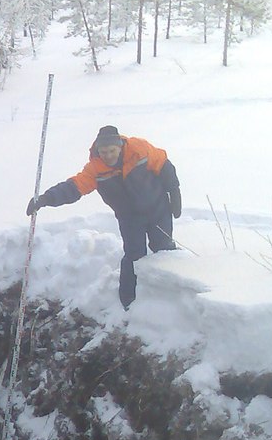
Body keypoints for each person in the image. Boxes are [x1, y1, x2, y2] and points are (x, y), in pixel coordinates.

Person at [26, 125, 181, 309]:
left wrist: (174, 191)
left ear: (120, 147)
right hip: (129, 217)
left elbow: (164, 165)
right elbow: (74, 187)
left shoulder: (139, 149)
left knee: (164, 249)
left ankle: (175, 295)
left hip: (157, 208)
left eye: (112, 151)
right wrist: (45, 199)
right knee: (134, 255)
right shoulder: (95, 168)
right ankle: (128, 301)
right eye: (103, 152)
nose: (108, 156)